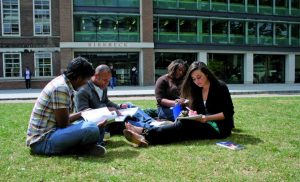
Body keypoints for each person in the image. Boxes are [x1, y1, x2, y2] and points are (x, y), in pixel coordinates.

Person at [123, 61, 235, 147]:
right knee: (181, 127)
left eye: (199, 77)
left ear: (207, 74)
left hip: (220, 127)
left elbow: (228, 112)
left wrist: (206, 118)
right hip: (204, 123)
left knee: (183, 127)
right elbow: (198, 110)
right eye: (193, 79)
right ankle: (144, 136)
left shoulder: (220, 87)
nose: (196, 81)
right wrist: (192, 113)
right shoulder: (196, 89)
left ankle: (143, 132)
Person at [26, 57, 106, 156]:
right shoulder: (61, 88)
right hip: (42, 141)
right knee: (91, 127)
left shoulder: (65, 85)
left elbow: (64, 122)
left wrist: (85, 116)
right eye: (86, 80)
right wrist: (82, 114)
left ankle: (81, 148)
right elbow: (63, 124)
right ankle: (81, 148)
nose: (86, 84)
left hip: (53, 133)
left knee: (91, 124)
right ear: (79, 78)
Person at [75, 64, 155, 135]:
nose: (107, 83)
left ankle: (151, 121)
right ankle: (151, 127)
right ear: (96, 76)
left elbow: (106, 101)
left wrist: (118, 106)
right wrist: (106, 110)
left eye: (108, 80)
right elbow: (83, 113)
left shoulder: (103, 87)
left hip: (108, 116)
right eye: (105, 80)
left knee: (129, 105)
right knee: (126, 122)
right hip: (101, 122)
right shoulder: (83, 90)